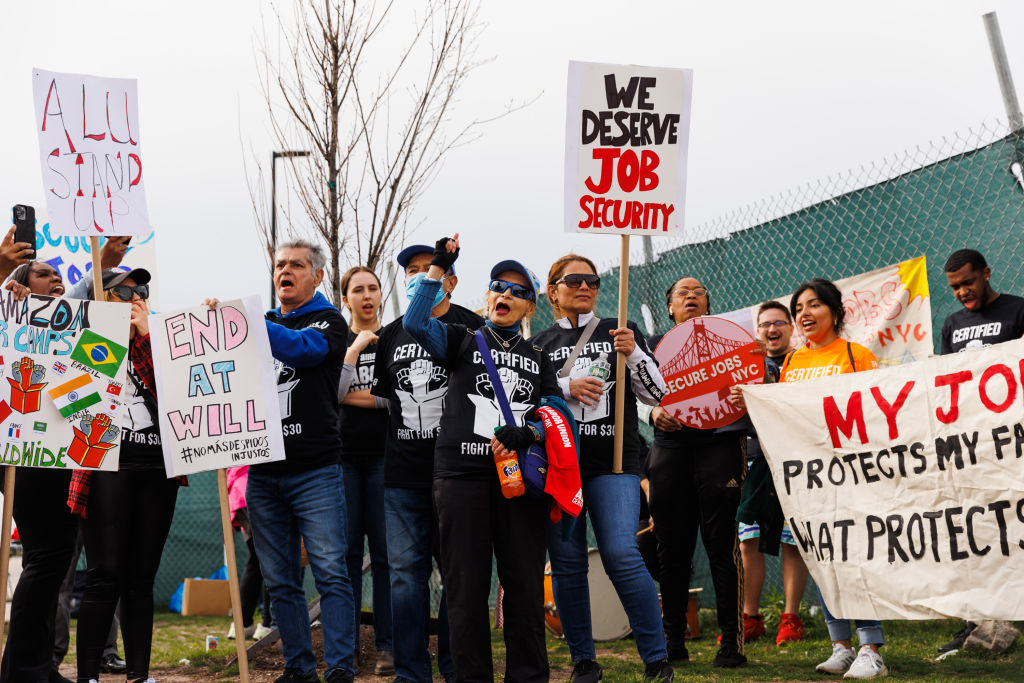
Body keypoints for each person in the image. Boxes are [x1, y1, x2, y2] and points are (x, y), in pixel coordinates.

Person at [404, 235, 568, 682]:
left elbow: (559, 412)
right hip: (461, 478)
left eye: (518, 291)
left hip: (520, 483)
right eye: (498, 286)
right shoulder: (462, 338)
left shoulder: (539, 355)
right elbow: (416, 320)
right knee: (465, 593)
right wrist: (438, 265)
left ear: (530, 306)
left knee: (525, 591)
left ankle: (529, 677)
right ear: (487, 295)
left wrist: (530, 431)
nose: (506, 294)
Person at [208, 239, 357, 683]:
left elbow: (302, 351)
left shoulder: (329, 321)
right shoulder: (264, 321)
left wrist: (245, 320)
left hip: (315, 473)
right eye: (278, 265)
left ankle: (341, 669)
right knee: (281, 581)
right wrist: (211, 324)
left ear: (317, 275)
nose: (284, 271)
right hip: (264, 474)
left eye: (296, 264)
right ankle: (299, 669)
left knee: (331, 573)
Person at [531, 254, 673, 683]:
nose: (584, 285)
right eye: (573, 280)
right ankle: (584, 662)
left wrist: (633, 355)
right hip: (561, 469)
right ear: (553, 291)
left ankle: (656, 658)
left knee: (621, 553)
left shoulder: (620, 330)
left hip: (616, 465)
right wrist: (564, 385)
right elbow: (526, 401)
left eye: (591, 279)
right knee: (567, 562)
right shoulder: (538, 344)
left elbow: (657, 394)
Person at [0, 243, 130, 683]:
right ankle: (25, 668)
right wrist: (3, 280)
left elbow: (80, 302)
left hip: (57, 452)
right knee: (47, 556)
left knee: (50, 558)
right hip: (23, 451)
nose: (55, 279)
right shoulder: (10, 312)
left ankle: (32, 665)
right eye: (41, 274)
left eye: (58, 275)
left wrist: (105, 263)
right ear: (18, 287)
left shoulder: (61, 324)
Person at [371, 244, 480, 683]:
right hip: (402, 475)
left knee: (457, 576)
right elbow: (387, 400)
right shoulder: (391, 333)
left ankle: (455, 667)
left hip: (458, 476)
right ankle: (410, 672)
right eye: (412, 271)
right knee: (403, 577)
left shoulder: (475, 328)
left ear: (450, 280)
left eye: (429, 270)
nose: (421, 277)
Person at [72, 268, 184, 683]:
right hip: (106, 470)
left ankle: (139, 673)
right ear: (104, 298)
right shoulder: (88, 341)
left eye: (142, 290)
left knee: (141, 576)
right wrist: (110, 339)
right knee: (104, 574)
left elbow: (184, 390)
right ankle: (88, 675)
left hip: (158, 470)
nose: (136, 295)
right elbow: (73, 400)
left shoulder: (163, 343)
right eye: (124, 290)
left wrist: (150, 335)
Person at [777, 278, 885, 679]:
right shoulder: (790, 363)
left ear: (836, 312)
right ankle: (840, 645)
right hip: (807, 478)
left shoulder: (856, 355)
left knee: (855, 559)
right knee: (822, 559)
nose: (804, 314)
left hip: (849, 473)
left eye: (814, 305)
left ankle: (870, 647)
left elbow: (870, 410)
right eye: (798, 308)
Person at [645, 277, 748, 668]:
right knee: (671, 550)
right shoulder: (652, 349)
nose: (691, 295)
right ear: (669, 307)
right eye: (681, 293)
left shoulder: (734, 344)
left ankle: (732, 643)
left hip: (720, 444)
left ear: (709, 304)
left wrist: (747, 394)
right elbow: (632, 392)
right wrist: (653, 412)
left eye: (699, 291)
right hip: (669, 449)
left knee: (722, 546)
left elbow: (755, 383)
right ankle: (673, 640)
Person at [936, 249, 1024, 651]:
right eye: (955, 286)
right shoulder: (953, 324)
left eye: (968, 282)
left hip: (1013, 442)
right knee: (976, 531)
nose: (962, 292)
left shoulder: (1018, 312)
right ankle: (976, 623)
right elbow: (944, 381)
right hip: (971, 445)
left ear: (987, 274)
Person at [731, 301, 808, 645]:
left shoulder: (804, 363)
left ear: (792, 328)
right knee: (748, 542)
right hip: (753, 461)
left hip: (793, 462)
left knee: (794, 542)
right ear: (756, 331)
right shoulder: (743, 364)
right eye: (765, 324)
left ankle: (790, 618)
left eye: (779, 323)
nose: (772, 329)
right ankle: (750, 617)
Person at [336, 266, 393, 675]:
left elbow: (399, 400)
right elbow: (332, 392)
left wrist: (362, 398)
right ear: (346, 299)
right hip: (343, 460)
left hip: (386, 458)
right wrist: (354, 352)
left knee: (388, 557)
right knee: (348, 556)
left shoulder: (394, 340)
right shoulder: (337, 341)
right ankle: (350, 646)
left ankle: (389, 646)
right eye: (358, 289)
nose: (367, 295)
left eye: (373, 288)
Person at [225, 465, 273, 641]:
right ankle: (268, 624)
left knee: (257, 561)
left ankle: (243, 624)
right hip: (250, 489)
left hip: (240, 490)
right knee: (267, 560)